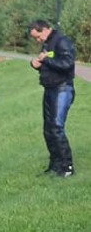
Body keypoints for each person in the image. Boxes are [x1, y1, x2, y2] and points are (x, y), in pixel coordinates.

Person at [29, 19, 75, 177]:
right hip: (49, 89)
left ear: (44, 29)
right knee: (48, 129)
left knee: (56, 127)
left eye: (37, 36)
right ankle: (55, 165)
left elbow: (67, 64)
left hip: (62, 89)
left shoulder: (62, 41)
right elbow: (51, 65)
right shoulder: (47, 43)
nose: (37, 40)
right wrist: (36, 64)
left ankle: (67, 167)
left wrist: (46, 59)